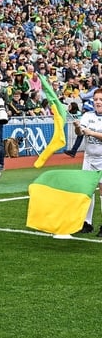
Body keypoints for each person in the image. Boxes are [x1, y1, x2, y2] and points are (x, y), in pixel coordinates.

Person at [76, 88, 102, 236]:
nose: (98, 102)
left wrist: (91, 132)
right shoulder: (87, 115)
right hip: (89, 158)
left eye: (100, 99)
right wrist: (77, 127)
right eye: (96, 99)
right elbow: (80, 133)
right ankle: (87, 222)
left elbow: (91, 133)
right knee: (88, 190)